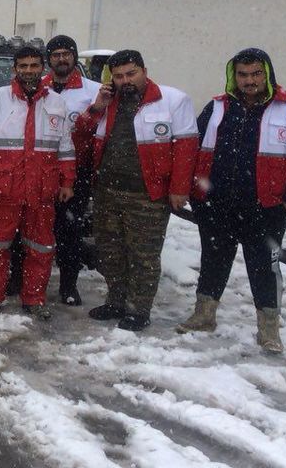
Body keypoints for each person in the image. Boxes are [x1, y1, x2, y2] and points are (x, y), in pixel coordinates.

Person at [180, 48, 286, 353]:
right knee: (213, 260)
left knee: (264, 267)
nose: (249, 81)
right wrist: (198, 195)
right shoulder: (218, 108)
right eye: (242, 75)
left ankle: (268, 329)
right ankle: (204, 315)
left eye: (256, 74)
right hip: (217, 205)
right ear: (234, 76)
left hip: (266, 208)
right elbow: (193, 149)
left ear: (267, 74)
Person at [74, 49, 198, 331]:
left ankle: (138, 309)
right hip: (107, 191)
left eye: (131, 74)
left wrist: (179, 189)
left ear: (144, 70)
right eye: (118, 76)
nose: (125, 81)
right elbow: (80, 136)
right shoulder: (107, 102)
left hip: (148, 195)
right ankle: (116, 301)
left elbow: (186, 149)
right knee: (110, 251)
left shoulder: (172, 100)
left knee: (143, 254)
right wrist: (97, 107)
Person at [0, 46, 75, 319]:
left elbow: (65, 147)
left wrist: (67, 182)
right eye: (23, 66)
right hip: (1, 190)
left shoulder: (56, 103)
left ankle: (34, 300)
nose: (28, 71)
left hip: (42, 192)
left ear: (43, 68)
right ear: (14, 69)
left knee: (40, 249)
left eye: (34, 65)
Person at [40, 35, 102, 305]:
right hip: (39, 169)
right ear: (48, 59)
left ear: (75, 57)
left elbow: (99, 132)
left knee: (70, 232)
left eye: (67, 53)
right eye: (56, 54)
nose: (62, 59)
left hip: (77, 172)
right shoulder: (37, 87)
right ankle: (27, 282)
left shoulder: (94, 91)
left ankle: (68, 286)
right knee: (33, 230)